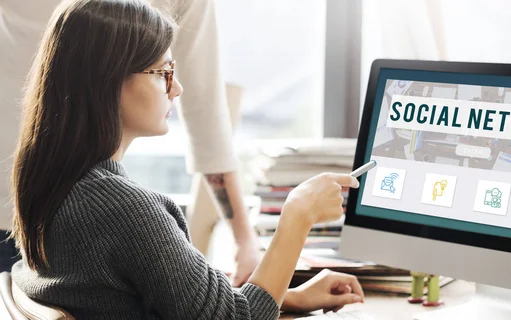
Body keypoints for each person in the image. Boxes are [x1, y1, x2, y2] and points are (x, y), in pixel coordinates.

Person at [8, 0, 365, 319]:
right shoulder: (123, 210)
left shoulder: (55, 186)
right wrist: (298, 213)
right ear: (109, 80)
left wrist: (287, 297)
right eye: (162, 73)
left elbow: (177, 300)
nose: (176, 88)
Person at [0, 0, 261, 286]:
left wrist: (243, 239)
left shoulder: (121, 207)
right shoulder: (132, 213)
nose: (175, 88)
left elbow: (206, 115)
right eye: (162, 73)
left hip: (36, 203)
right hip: (32, 213)